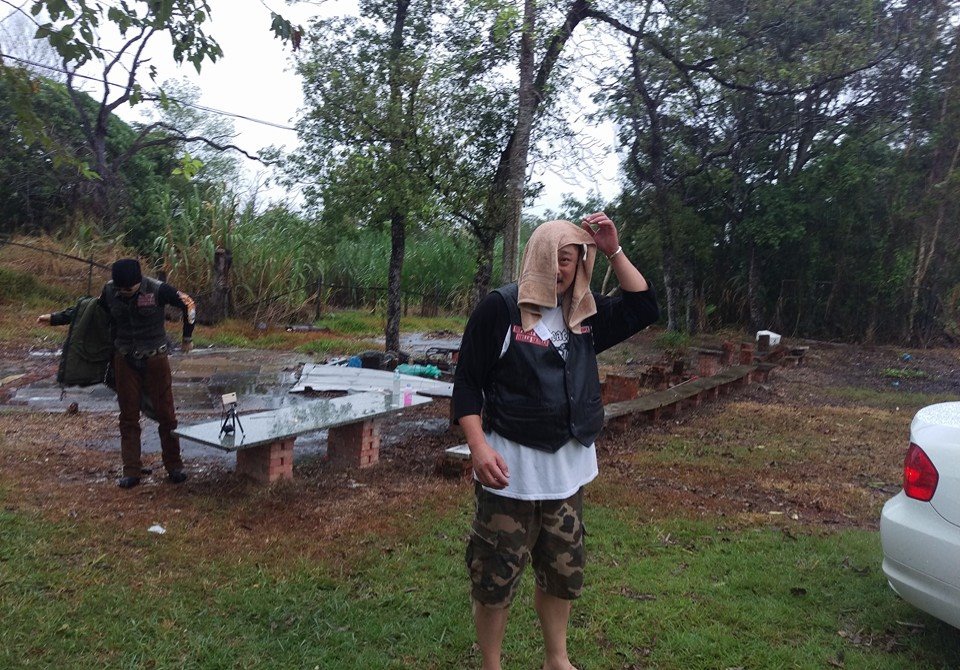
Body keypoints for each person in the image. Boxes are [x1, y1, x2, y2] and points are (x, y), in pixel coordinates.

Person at [452, 213, 658, 670]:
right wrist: (478, 447)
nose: (565, 269)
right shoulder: (501, 309)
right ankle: (491, 665)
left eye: (573, 259)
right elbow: (466, 383)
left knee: (562, 575)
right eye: (559, 258)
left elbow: (644, 307)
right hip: (511, 477)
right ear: (538, 257)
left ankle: (556, 659)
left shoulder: (583, 313)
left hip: (566, 478)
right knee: (494, 580)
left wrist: (612, 250)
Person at [38, 258, 196, 489]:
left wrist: (187, 337)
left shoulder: (157, 289)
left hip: (155, 360)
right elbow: (89, 311)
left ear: (139, 282)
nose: (124, 293)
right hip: (124, 360)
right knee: (128, 417)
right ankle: (131, 470)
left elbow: (188, 303)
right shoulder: (110, 291)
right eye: (120, 290)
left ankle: (174, 466)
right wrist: (56, 318)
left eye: (129, 290)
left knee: (167, 415)